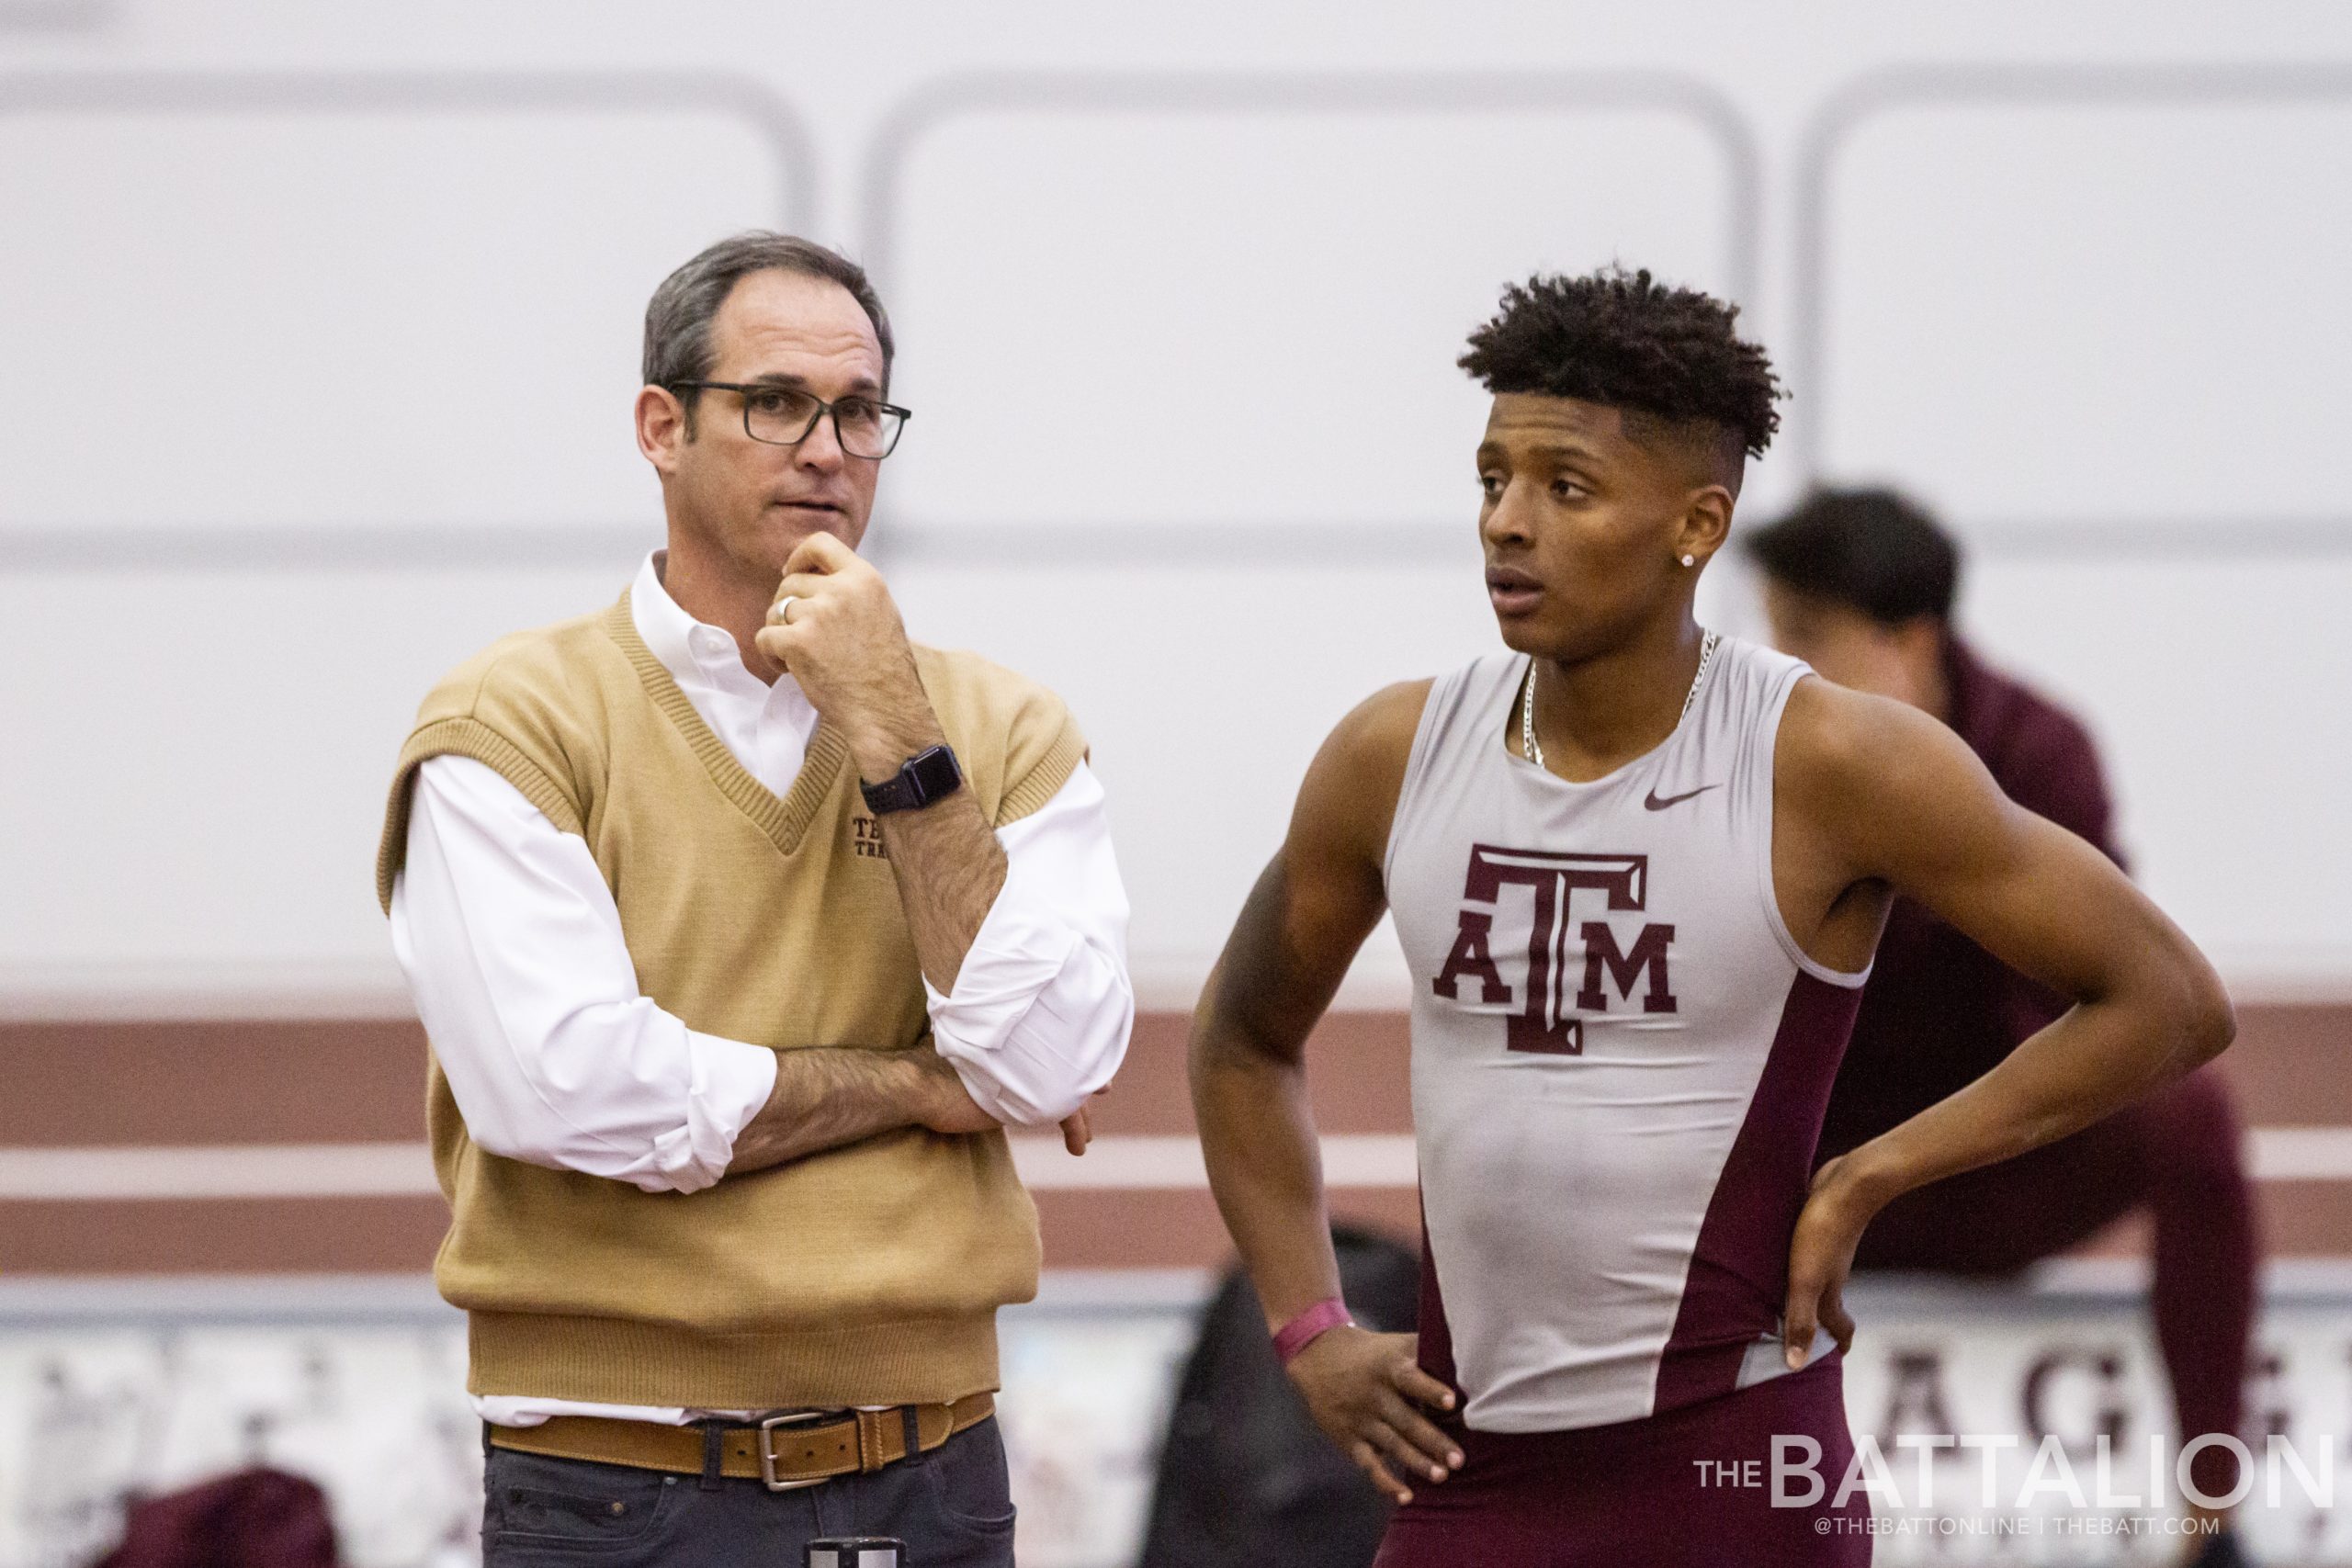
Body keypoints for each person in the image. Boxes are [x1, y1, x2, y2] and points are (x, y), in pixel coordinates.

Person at [1186, 267, 2235, 1567]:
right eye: (1492, 477)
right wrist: (1311, 1329)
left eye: (1563, 488)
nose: (1507, 523)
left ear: (1697, 523)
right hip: (1473, 1481)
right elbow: (1239, 1041)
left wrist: (1871, 1173)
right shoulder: (1392, 753)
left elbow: (2170, 998)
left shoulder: (1836, 762)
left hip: (1737, 1479)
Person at [375, 231, 1133, 1566]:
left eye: (859, 411)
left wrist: (900, 738)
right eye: (774, 401)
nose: (828, 447)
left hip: (936, 1466)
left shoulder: (1000, 727)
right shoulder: (514, 720)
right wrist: (911, 1086)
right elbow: (569, 1088)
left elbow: (1054, 1058)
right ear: (661, 427)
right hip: (618, 1477)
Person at [1748, 488, 2259, 1564]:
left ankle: (2212, 1522)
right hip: (1794, 1195)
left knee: (2191, 1117)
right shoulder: (1752, 759)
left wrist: (1921, 858)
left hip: (1981, 1162)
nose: (1774, 660)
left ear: (1909, 643)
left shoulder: (2035, 756)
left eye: (1802, 636)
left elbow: (2108, 1017)